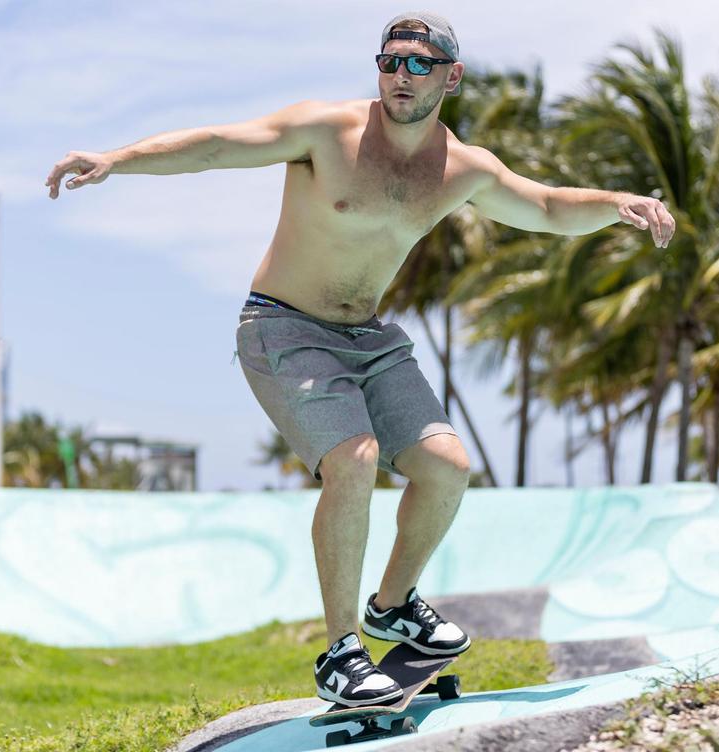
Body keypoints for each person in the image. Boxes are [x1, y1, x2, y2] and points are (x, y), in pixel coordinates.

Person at [45, 10, 675, 708]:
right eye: (388, 62)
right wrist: (116, 159)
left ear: (451, 77)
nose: (399, 76)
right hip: (282, 327)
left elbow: (552, 208)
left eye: (417, 64)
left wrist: (620, 203)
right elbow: (219, 145)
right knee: (354, 459)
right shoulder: (327, 130)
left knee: (446, 468)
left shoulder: (461, 167)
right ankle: (342, 650)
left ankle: (394, 604)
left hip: (368, 337)